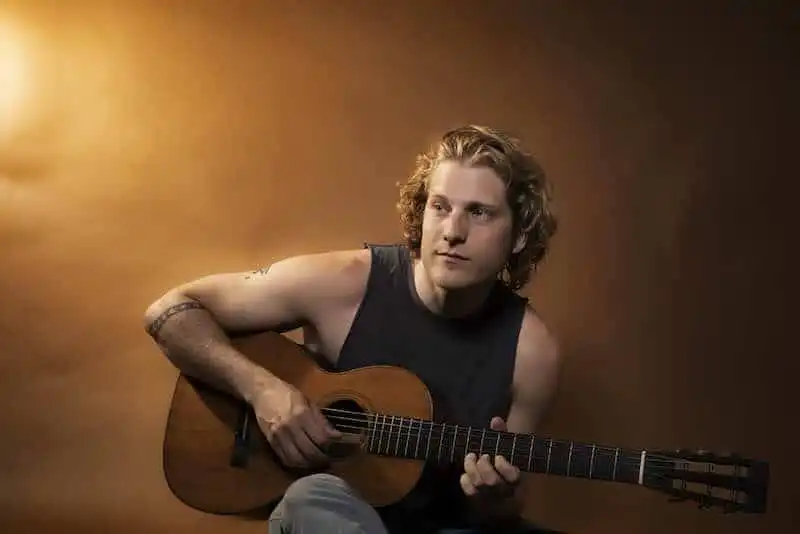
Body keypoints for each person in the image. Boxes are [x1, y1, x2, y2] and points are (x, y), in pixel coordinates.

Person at [143, 125, 563, 533]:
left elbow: (499, 514)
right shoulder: (343, 283)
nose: (453, 232)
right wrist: (260, 389)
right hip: (334, 518)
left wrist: (493, 497)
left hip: (445, 526)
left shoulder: (530, 351)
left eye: (479, 212)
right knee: (312, 498)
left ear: (520, 235)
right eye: (440, 206)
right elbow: (172, 311)